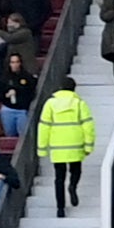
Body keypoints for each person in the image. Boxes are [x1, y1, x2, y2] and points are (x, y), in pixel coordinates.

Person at [36, 79, 94, 215]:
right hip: (76, 143)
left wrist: (42, 148)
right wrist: (89, 146)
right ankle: (73, 186)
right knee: (76, 170)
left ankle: (60, 208)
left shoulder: (50, 104)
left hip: (57, 146)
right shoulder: (79, 104)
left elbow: (44, 127)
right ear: (74, 89)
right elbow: (88, 126)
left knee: (59, 178)